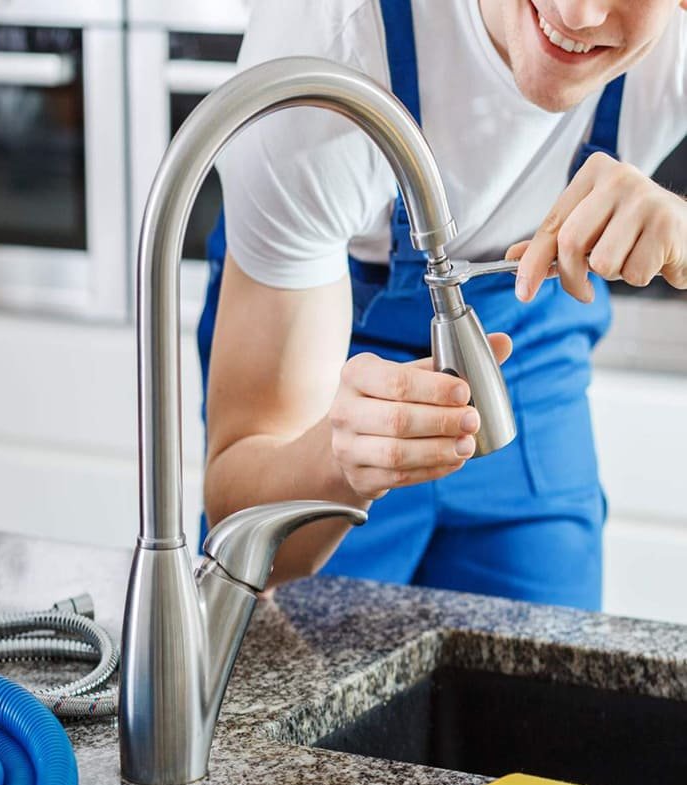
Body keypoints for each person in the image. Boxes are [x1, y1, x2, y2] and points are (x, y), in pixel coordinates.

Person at [197, 0, 687, 610]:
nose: (579, 14)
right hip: (335, 393)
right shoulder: (325, 52)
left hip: (529, 367)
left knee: (553, 683)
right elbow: (247, 525)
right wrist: (338, 458)